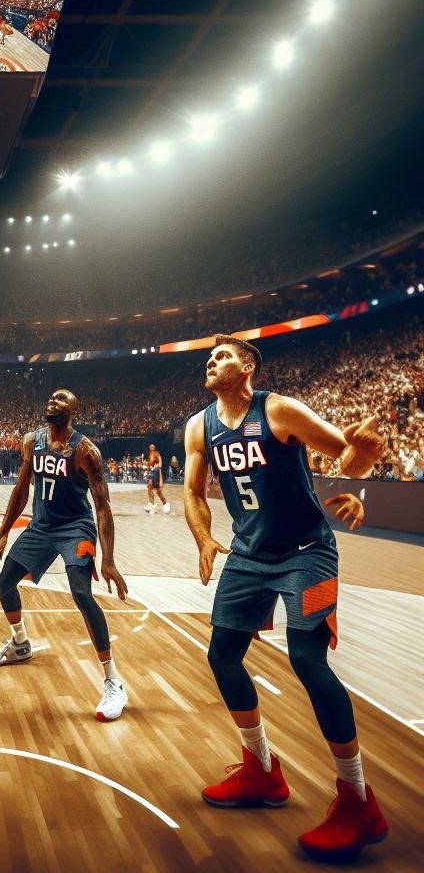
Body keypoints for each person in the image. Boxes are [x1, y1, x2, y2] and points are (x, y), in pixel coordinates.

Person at [183, 335, 388, 863]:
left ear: (248, 365)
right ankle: (262, 771)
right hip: (249, 555)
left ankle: (358, 799)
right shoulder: (198, 425)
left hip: (307, 553)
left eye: (223, 355)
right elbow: (190, 489)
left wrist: (361, 463)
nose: (211, 361)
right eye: (209, 357)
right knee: (222, 656)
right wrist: (205, 538)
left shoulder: (279, 409)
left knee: (306, 659)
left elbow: (348, 453)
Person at [0, 389, 130, 722]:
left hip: (76, 528)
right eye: (50, 398)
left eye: (61, 400)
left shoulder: (85, 450)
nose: (52, 402)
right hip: (41, 527)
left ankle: (113, 681)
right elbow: (21, 489)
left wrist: (108, 559)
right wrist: (4, 532)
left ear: (73, 411)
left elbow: (102, 506)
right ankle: (20, 644)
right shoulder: (31, 441)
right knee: (5, 581)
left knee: (81, 593)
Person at [144, 442, 170, 514]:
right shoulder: (151, 455)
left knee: (152, 487)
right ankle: (163, 504)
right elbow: (150, 464)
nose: (152, 447)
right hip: (154, 472)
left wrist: (158, 466)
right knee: (156, 490)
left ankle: (152, 506)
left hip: (156, 472)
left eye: (153, 446)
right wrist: (148, 468)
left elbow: (160, 461)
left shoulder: (156, 453)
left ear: (154, 448)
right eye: (150, 447)